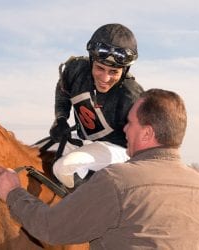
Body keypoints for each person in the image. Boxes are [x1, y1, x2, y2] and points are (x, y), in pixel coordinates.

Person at [0, 88, 199, 249]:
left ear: (147, 133)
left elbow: (50, 228)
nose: (125, 129)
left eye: (131, 122)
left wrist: (13, 193)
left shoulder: (118, 180)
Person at [49, 23, 144, 188]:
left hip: (120, 152)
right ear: (91, 60)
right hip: (85, 141)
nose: (105, 78)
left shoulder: (132, 96)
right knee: (36, 152)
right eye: (100, 68)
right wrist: (61, 119)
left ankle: (94, 210)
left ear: (125, 70)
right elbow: (63, 92)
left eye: (114, 72)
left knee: (64, 168)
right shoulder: (75, 69)